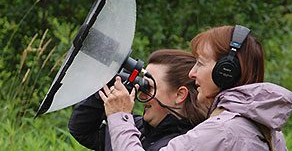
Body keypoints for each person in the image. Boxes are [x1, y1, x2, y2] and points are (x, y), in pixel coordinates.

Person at [99, 25, 292, 151]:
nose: (192, 74)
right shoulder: (269, 132)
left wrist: (120, 116)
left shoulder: (223, 131)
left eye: (200, 64)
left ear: (225, 72)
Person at [69, 49, 207, 151]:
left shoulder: (187, 144)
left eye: (149, 87)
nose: (142, 96)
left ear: (180, 95)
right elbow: (82, 130)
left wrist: (120, 117)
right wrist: (109, 84)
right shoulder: (137, 128)